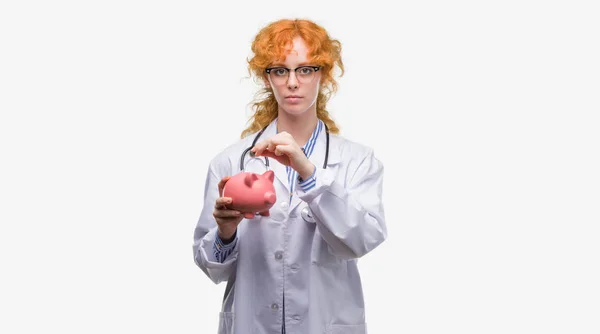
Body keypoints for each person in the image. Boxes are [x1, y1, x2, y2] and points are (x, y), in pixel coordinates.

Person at [193, 18, 387, 334]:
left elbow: (360, 241)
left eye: (305, 69)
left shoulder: (357, 161)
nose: (292, 82)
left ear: (323, 74)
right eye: (280, 70)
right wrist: (225, 232)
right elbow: (213, 269)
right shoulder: (231, 161)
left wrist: (308, 173)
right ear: (267, 78)